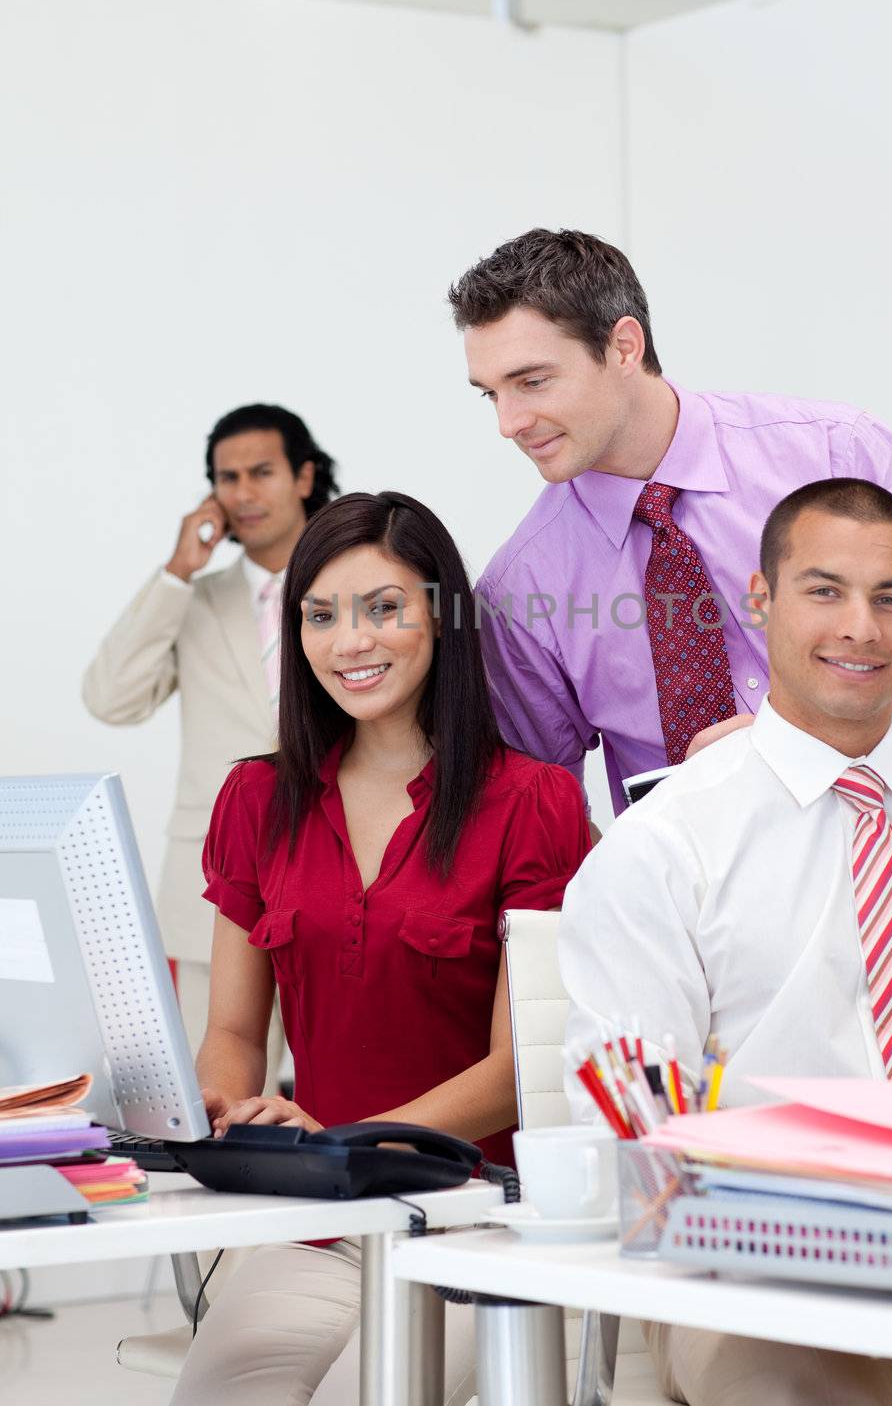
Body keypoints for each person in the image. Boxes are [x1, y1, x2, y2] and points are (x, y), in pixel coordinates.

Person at [557, 478, 892, 1405]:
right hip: (763, 1276)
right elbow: (633, 1132)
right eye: (823, 591)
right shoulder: (664, 845)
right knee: (792, 1383)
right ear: (760, 602)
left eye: (890, 598)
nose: (860, 629)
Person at [171, 490, 590, 1405]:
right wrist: (217, 1105)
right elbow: (237, 1031)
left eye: (383, 608)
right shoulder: (256, 801)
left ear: (441, 618)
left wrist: (350, 1140)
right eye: (320, 616)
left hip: (478, 1221)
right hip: (319, 1221)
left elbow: (522, 1065)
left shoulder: (532, 804)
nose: (349, 642)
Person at [450, 229, 892, 819]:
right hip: (700, 907)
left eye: (532, 381)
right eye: (490, 394)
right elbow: (538, 823)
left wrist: (781, 760)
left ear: (624, 347)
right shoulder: (519, 591)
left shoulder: (837, 455)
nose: (509, 422)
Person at [83, 403, 339, 1056]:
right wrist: (177, 572)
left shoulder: (359, 583)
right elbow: (111, 699)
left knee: (341, 1095)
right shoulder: (189, 601)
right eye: (227, 478)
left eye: (261, 472)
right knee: (214, 1102)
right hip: (217, 883)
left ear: (304, 475)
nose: (244, 493)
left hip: (344, 863)